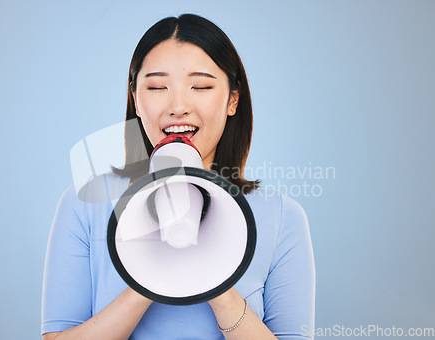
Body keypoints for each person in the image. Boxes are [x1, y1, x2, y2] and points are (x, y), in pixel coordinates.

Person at [42, 13, 315, 340]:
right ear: (136, 99)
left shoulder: (281, 216)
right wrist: (152, 271)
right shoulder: (85, 203)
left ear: (233, 99)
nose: (178, 106)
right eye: (157, 87)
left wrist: (214, 277)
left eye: (200, 86)